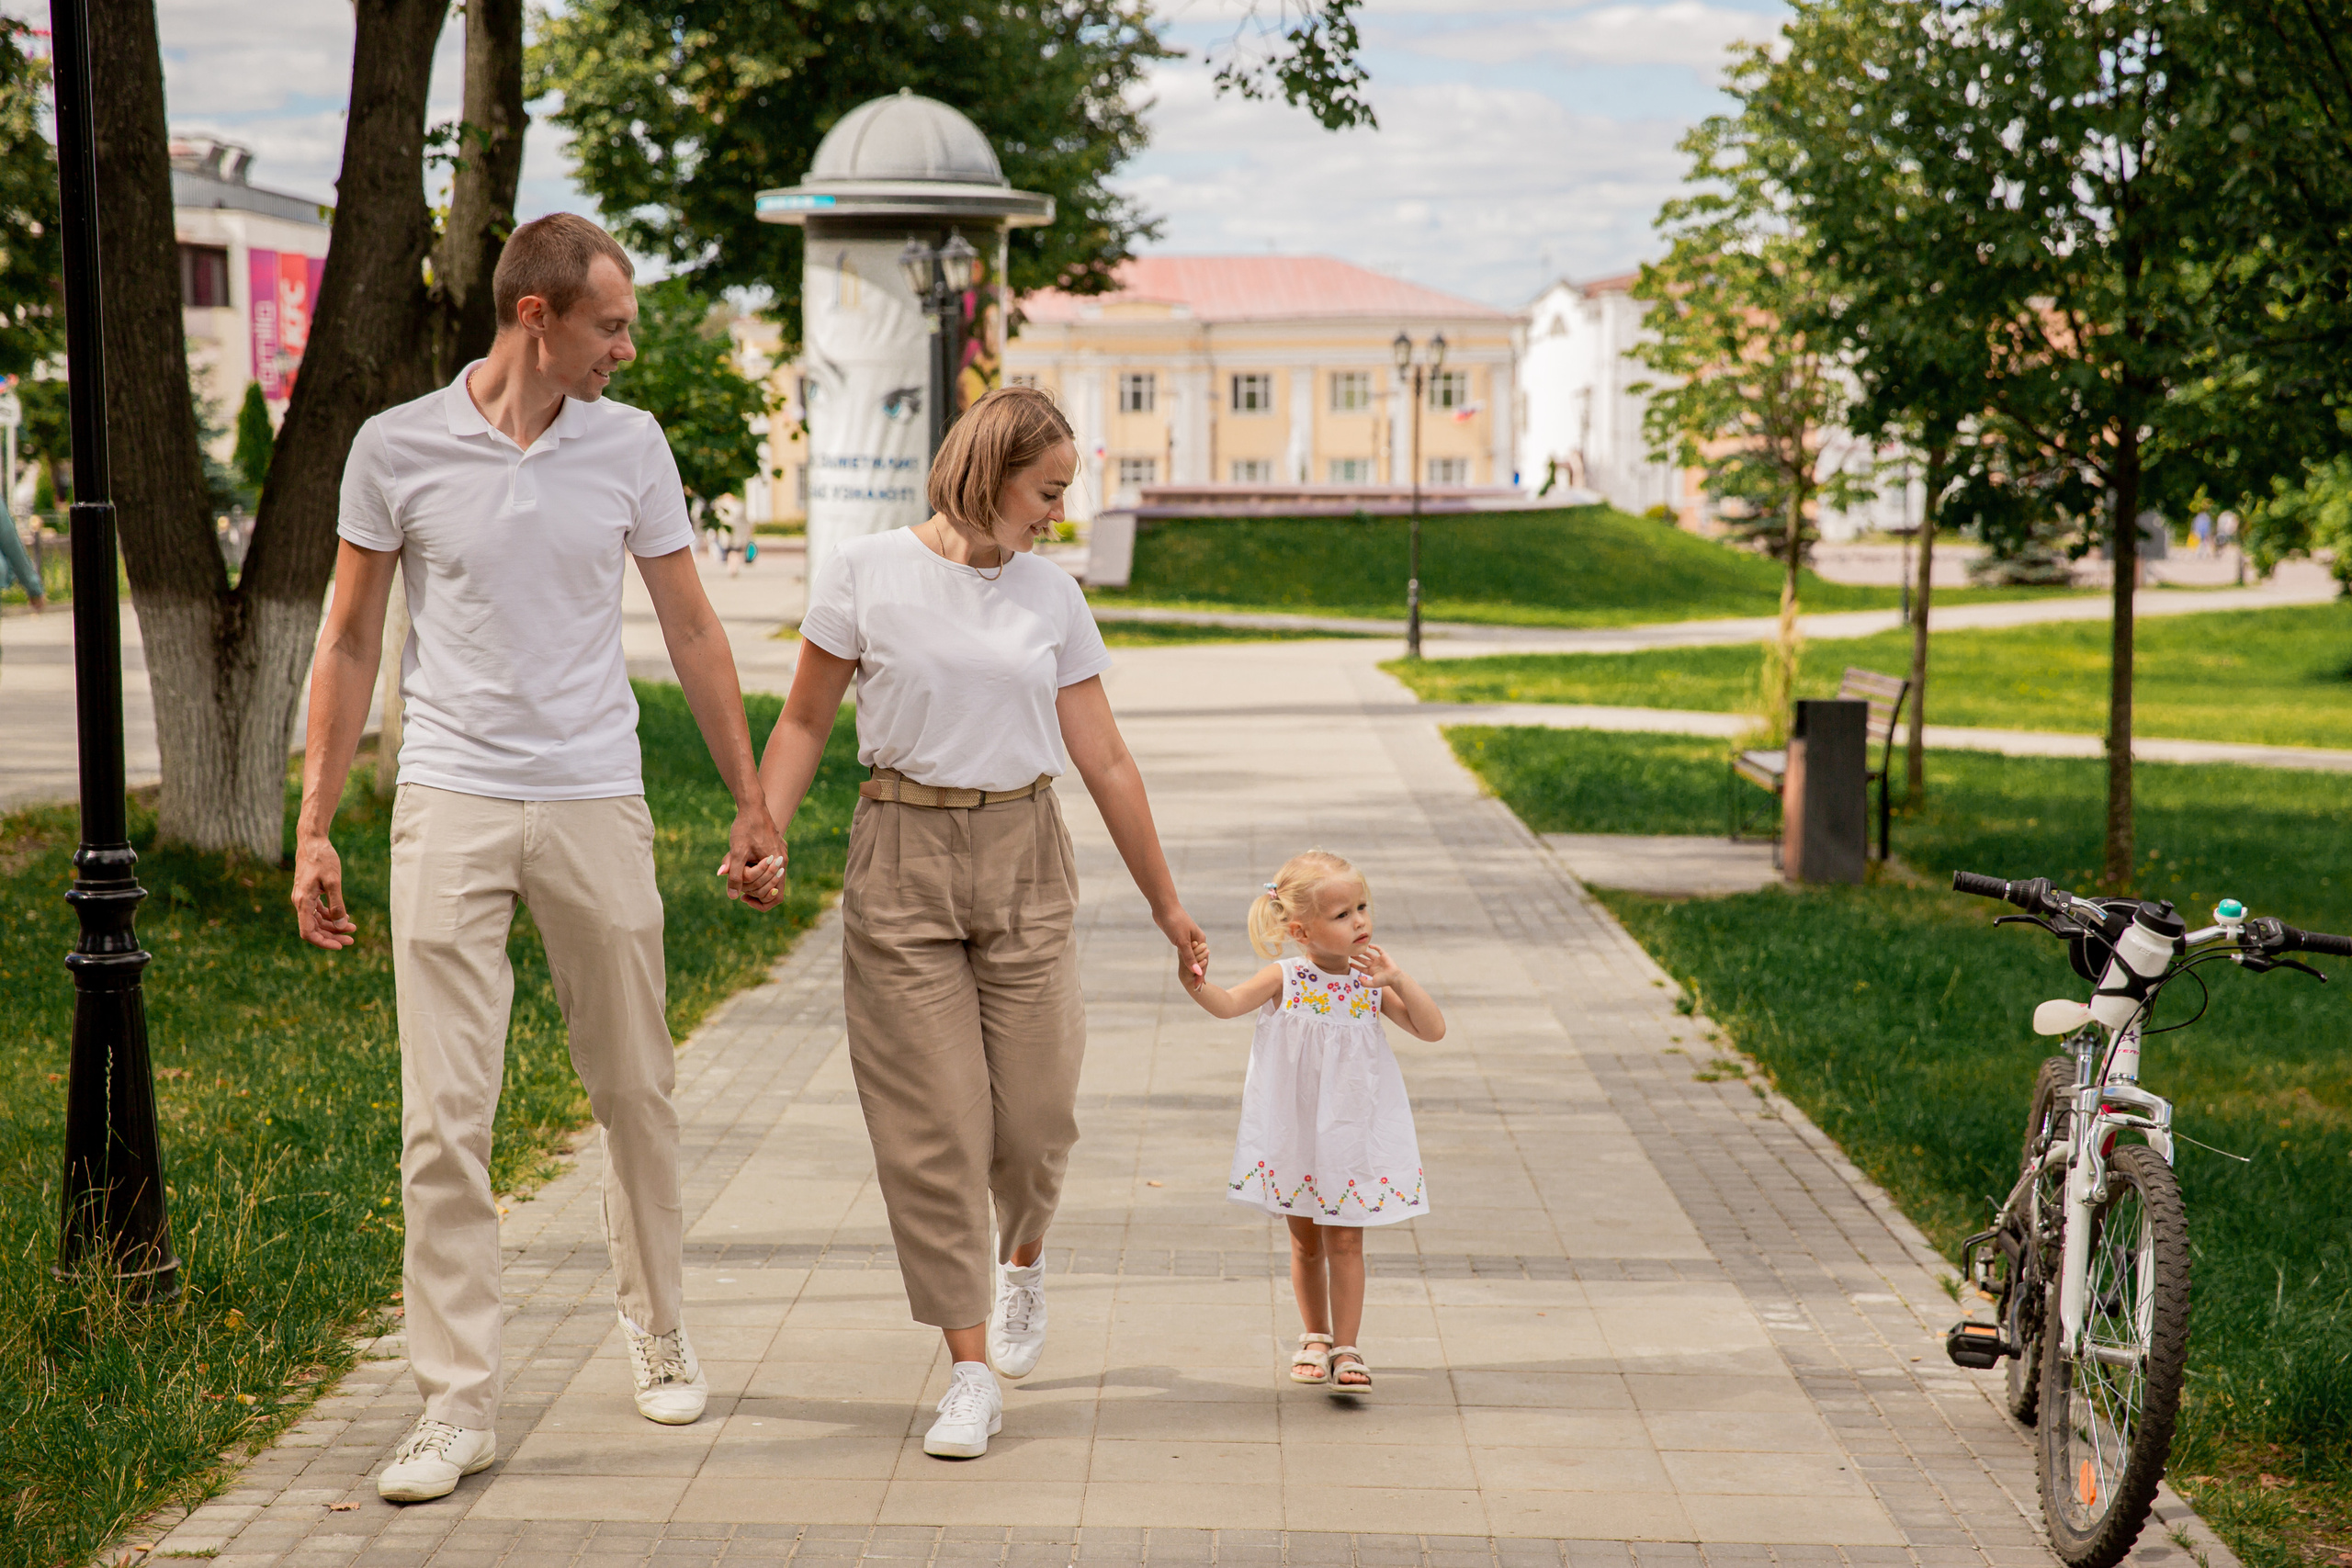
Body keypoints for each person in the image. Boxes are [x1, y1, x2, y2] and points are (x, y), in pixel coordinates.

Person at [291, 213, 787, 1504]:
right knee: (443, 1115)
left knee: (635, 1085)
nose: (626, 347)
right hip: (449, 799)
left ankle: (658, 1320)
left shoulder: (630, 446)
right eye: (611, 325)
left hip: (594, 795)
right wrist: (314, 820)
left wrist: (752, 802)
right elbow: (349, 639)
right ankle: (456, 1404)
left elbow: (689, 622)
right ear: (536, 316)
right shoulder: (396, 447)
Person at [747, 385, 1206, 1460]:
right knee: (933, 1133)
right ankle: (967, 1370)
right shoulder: (866, 571)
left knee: (1037, 1119)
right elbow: (808, 716)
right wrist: (762, 829)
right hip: (900, 854)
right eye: (1045, 492)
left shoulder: (1051, 596)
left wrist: (1166, 902)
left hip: (1023, 855)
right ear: (989, 469)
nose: (1055, 514)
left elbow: (1104, 757)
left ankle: (1025, 1261)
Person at [1178, 850, 1445, 1395]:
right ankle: (1315, 1335)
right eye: (1343, 915)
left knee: (1346, 1239)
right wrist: (1194, 980)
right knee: (1305, 1240)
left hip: (1351, 1131)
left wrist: (1399, 978)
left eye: (1363, 908)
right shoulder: (1285, 977)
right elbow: (1228, 1005)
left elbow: (1432, 1029)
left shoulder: (1372, 981)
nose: (1361, 922)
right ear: (1301, 930)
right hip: (1297, 1130)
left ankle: (1348, 1345)